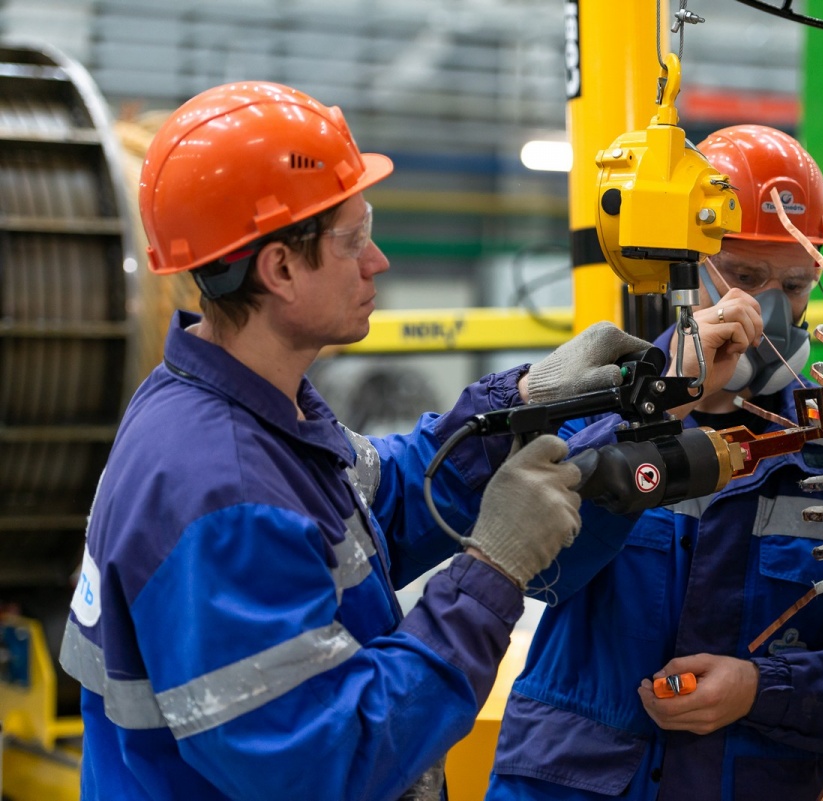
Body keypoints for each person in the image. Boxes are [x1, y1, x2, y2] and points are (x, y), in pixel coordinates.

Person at [56, 82, 750, 801]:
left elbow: (387, 502)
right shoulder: (221, 488)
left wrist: (528, 397)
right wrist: (494, 567)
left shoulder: (246, 410)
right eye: (354, 240)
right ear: (280, 269)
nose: (378, 260)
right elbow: (332, 760)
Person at [486, 125, 823, 801]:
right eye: (747, 277)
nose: (772, 312)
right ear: (684, 270)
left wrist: (763, 689)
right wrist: (658, 406)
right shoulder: (594, 399)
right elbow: (541, 568)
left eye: (796, 283)